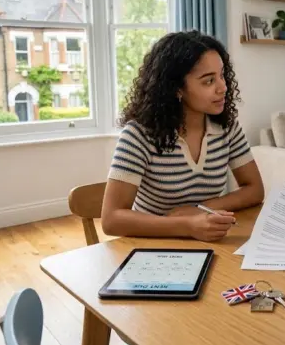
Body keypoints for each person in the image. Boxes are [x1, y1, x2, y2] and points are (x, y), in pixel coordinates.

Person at [101, 30, 265, 241]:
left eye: (222, 75)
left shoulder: (227, 127)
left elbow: (255, 189)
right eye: (208, 81)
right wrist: (186, 225)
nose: (223, 87)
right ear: (176, 89)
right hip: (152, 245)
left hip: (208, 241)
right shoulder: (138, 135)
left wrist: (202, 209)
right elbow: (111, 219)